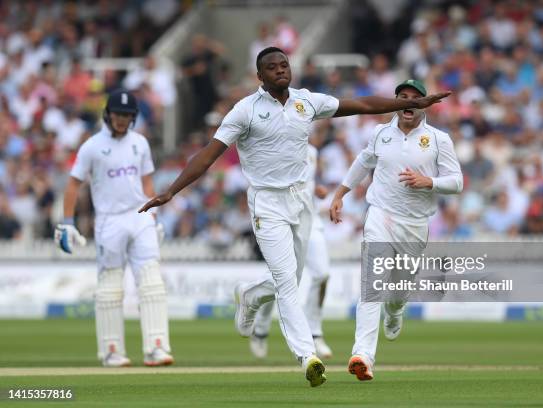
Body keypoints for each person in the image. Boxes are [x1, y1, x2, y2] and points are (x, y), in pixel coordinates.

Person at [139, 48, 450, 387]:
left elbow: (361, 105)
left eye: (284, 65)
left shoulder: (306, 102)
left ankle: (251, 295)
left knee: (292, 278)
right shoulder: (245, 111)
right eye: (271, 68)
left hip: (301, 201)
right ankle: (307, 357)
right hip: (267, 205)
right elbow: (208, 155)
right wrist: (172, 190)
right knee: (288, 283)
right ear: (260, 77)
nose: (280, 71)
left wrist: (413, 105)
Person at [329, 79, 463, 381]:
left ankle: (395, 310)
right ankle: (362, 355)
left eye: (415, 98)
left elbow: (457, 182)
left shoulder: (438, 138)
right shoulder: (380, 133)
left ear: (423, 104)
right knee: (372, 282)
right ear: (397, 101)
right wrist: (340, 194)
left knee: (399, 291)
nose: (408, 103)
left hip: (415, 223)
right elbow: (363, 163)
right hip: (380, 215)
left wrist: (429, 182)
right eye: (403, 97)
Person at [55, 89, 174, 368]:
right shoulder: (92, 146)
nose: (122, 120)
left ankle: (157, 347)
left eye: (127, 116)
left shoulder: (140, 143)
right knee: (110, 287)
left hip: (140, 215)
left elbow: (147, 182)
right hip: (109, 221)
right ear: (108, 114)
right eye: (118, 115)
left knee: (152, 282)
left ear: (133, 118)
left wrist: (153, 215)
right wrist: (68, 222)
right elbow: (74, 183)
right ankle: (111, 351)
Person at [250, 144, 333, 360]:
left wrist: (317, 189)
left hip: (310, 220)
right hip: (280, 218)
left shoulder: (313, 151)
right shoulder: (274, 144)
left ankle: (315, 332)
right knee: (282, 279)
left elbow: (305, 182)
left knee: (322, 273)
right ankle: (260, 329)